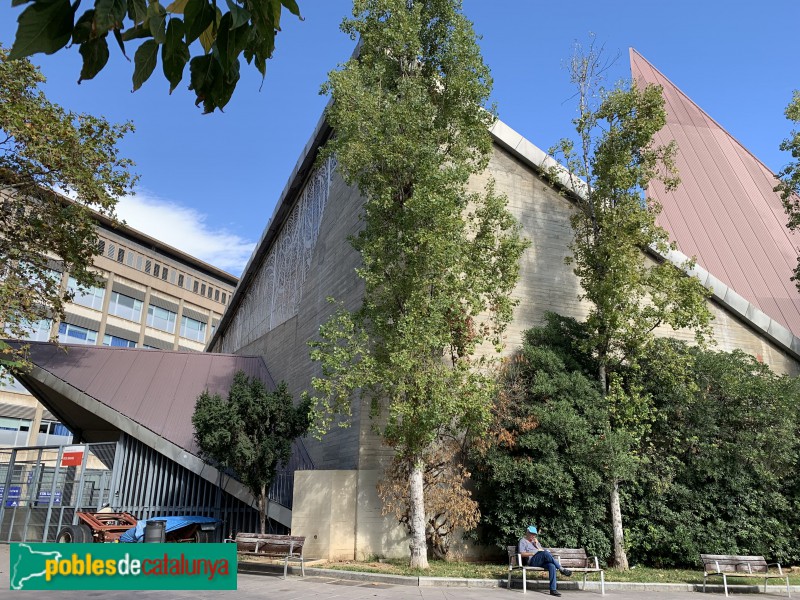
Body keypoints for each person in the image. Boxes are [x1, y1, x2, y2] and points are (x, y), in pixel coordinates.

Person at [518, 525, 572, 596]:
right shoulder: (523, 541)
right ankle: (561, 568)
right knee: (545, 553)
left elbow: (541, 551)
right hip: (532, 561)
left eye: (535, 534)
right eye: (532, 534)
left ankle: (553, 590)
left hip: (541, 560)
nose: (533, 536)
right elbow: (521, 554)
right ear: (527, 532)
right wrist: (533, 553)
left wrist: (536, 544)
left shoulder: (535, 542)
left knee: (552, 566)